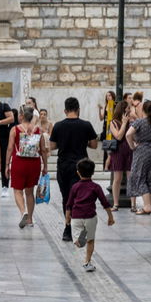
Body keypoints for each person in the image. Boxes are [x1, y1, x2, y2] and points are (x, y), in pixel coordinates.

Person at [48, 96, 100, 243]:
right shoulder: (86, 125)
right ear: (78, 110)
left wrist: (63, 143)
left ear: (65, 110)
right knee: (80, 198)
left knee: (67, 198)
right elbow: (94, 145)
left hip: (64, 165)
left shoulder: (58, 126)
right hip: (81, 167)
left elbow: (52, 146)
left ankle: (68, 228)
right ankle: (81, 227)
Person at [67, 158, 116, 272]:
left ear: (78, 172)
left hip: (76, 216)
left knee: (76, 239)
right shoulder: (96, 187)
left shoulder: (75, 187)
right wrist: (110, 217)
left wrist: (67, 218)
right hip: (90, 216)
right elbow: (105, 203)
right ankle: (87, 262)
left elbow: (69, 204)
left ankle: (77, 241)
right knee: (90, 240)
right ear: (93, 172)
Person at [8, 106, 45, 228]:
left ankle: (23, 211)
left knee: (17, 191)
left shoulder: (15, 129)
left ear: (21, 116)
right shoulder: (38, 130)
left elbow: (9, 148)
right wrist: (45, 166)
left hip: (19, 162)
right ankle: (30, 219)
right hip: (34, 163)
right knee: (30, 192)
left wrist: (6, 164)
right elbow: (43, 150)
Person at [126, 100, 151, 215]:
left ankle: (147, 206)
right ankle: (148, 206)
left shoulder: (139, 122)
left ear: (143, 110)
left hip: (142, 151)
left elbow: (128, 134)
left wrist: (132, 146)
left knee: (139, 176)